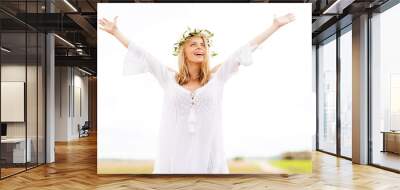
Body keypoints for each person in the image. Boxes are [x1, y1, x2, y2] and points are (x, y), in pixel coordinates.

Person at [99, 13, 295, 174]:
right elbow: (143, 55)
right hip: (175, 152)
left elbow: (244, 49)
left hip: (208, 150)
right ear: (183, 52)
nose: (199, 47)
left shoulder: (217, 77)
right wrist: (116, 32)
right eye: (193, 44)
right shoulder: (168, 78)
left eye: (202, 45)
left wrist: (275, 26)